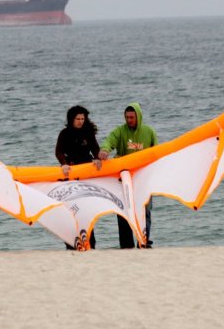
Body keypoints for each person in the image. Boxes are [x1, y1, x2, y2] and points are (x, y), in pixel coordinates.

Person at [98, 103, 157, 249]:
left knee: (145, 210)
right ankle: (126, 245)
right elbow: (110, 140)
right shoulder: (120, 131)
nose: (129, 120)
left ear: (138, 116)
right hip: (124, 179)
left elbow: (156, 153)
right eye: (127, 117)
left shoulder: (149, 132)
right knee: (124, 211)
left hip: (144, 178)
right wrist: (105, 150)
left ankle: (144, 241)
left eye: (132, 117)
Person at [55, 105, 101, 250]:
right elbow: (58, 151)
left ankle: (90, 244)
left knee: (87, 210)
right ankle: (71, 243)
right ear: (71, 119)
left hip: (86, 175)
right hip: (71, 173)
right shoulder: (64, 133)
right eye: (78, 119)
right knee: (72, 211)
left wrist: (97, 159)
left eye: (83, 119)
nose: (81, 121)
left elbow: (96, 149)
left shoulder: (88, 132)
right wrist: (63, 164)